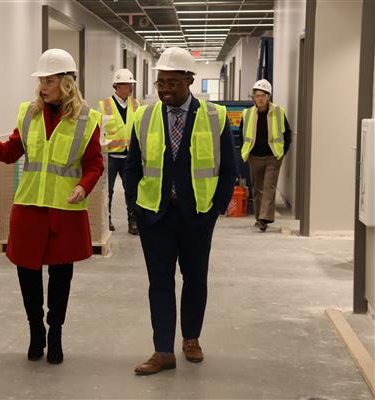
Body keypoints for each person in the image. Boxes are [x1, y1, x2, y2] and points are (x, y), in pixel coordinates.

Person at [0, 48, 104, 365]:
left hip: (64, 209)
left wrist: (82, 186)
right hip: (30, 207)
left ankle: (56, 332)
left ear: (66, 82)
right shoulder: (28, 113)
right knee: (27, 274)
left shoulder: (88, 120)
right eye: (41, 81)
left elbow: (94, 165)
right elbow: (9, 152)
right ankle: (36, 331)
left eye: (48, 81)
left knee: (61, 277)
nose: (43, 87)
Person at [125, 46, 236, 375]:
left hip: (197, 215)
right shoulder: (144, 116)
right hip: (155, 216)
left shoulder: (215, 116)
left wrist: (216, 208)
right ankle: (162, 350)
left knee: (195, 279)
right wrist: (136, 207)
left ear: (189, 80)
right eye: (161, 82)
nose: (165, 89)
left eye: (173, 82)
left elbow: (228, 169)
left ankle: (191, 339)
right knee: (159, 282)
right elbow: (133, 167)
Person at [239, 79, 292, 231]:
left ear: (268, 97)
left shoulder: (278, 112)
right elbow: (242, 135)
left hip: (273, 157)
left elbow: (287, 134)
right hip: (254, 157)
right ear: (253, 98)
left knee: (269, 187)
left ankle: (264, 219)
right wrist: (246, 152)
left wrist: (282, 152)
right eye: (257, 95)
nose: (260, 98)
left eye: (263, 95)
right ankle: (259, 217)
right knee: (257, 188)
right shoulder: (247, 114)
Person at [98, 68, 140, 235]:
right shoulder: (104, 105)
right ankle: (106, 220)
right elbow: (99, 131)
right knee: (107, 191)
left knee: (131, 189)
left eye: (131, 84)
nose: (130, 88)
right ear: (117, 86)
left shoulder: (136, 104)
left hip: (129, 155)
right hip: (110, 156)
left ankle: (133, 221)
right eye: (128, 84)